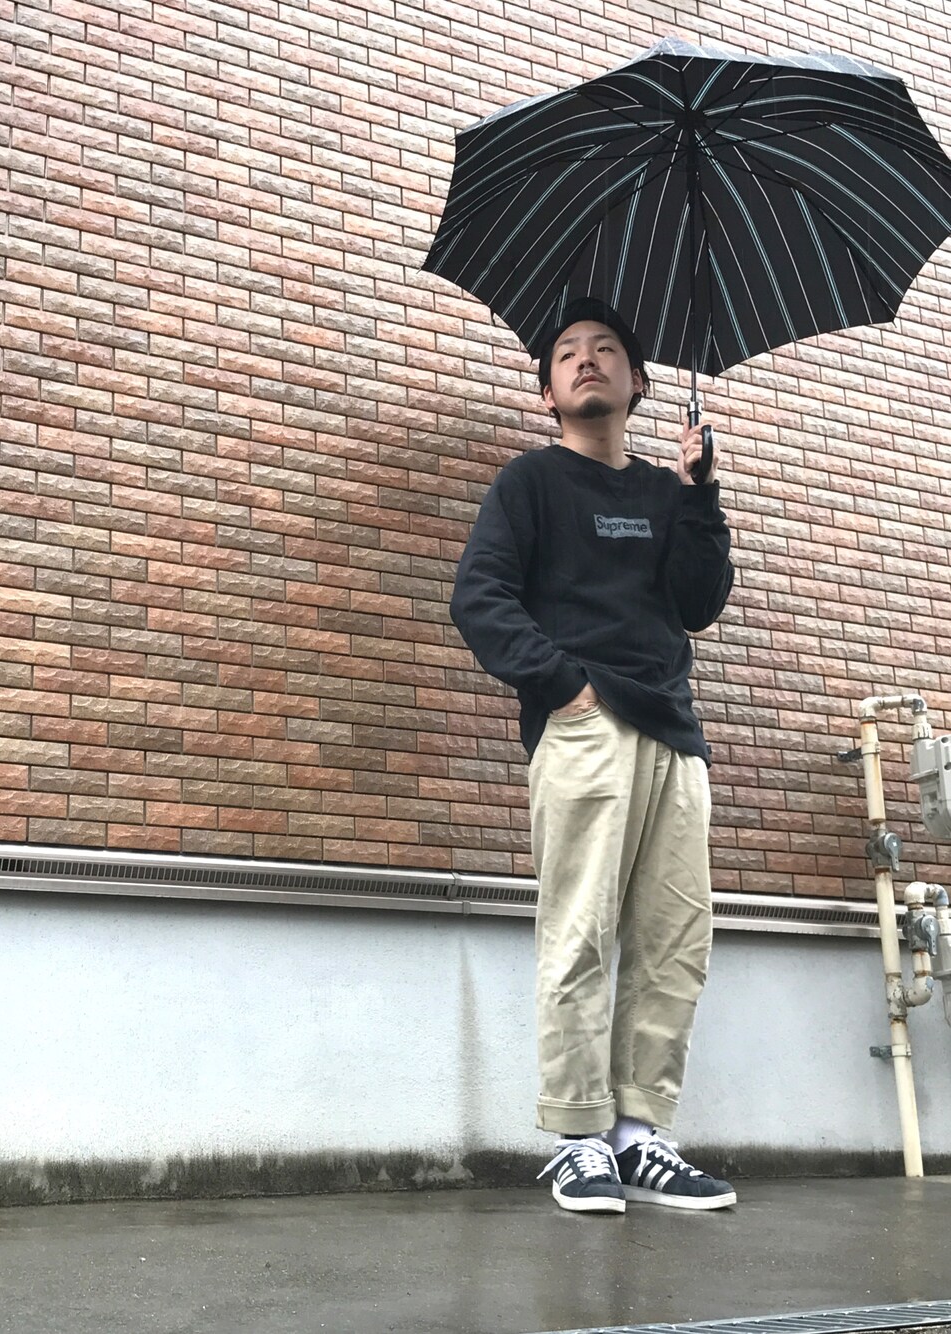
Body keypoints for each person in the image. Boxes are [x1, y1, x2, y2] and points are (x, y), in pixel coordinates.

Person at [449, 298, 736, 1214]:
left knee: (674, 941)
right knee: (579, 934)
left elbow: (698, 604)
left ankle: (639, 1135)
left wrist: (700, 495)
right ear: (547, 393)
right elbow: (479, 597)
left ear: (638, 382)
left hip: (674, 736)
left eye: (607, 349)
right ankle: (578, 1139)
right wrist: (561, 685)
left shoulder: (665, 491)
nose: (585, 359)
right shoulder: (529, 484)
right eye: (567, 353)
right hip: (585, 726)